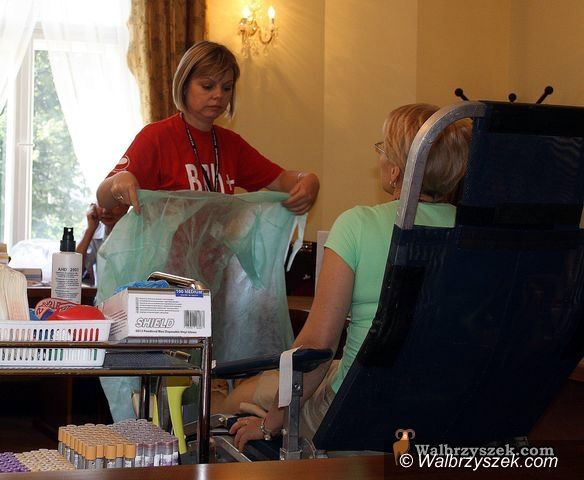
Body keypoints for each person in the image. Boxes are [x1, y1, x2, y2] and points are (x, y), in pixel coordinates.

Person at [220, 103, 472, 450]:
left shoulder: (357, 226)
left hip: (357, 411)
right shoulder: (475, 237)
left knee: (237, 399)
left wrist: (270, 425)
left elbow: (316, 348)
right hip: (443, 408)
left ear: (397, 171)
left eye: (383, 148)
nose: (379, 157)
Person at [96, 40, 319, 215]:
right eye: (207, 86)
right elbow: (102, 198)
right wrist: (118, 180)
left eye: (227, 87)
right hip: (164, 261)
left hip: (216, 260)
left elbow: (281, 179)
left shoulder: (231, 144)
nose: (218, 95)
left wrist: (308, 180)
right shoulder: (156, 137)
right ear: (184, 85)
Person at [76, 203, 128, 286]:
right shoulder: (95, 234)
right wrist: (90, 229)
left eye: (113, 204)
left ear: (127, 205)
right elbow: (73, 272)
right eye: (101, 204)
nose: (106, 211)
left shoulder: (138, 232)